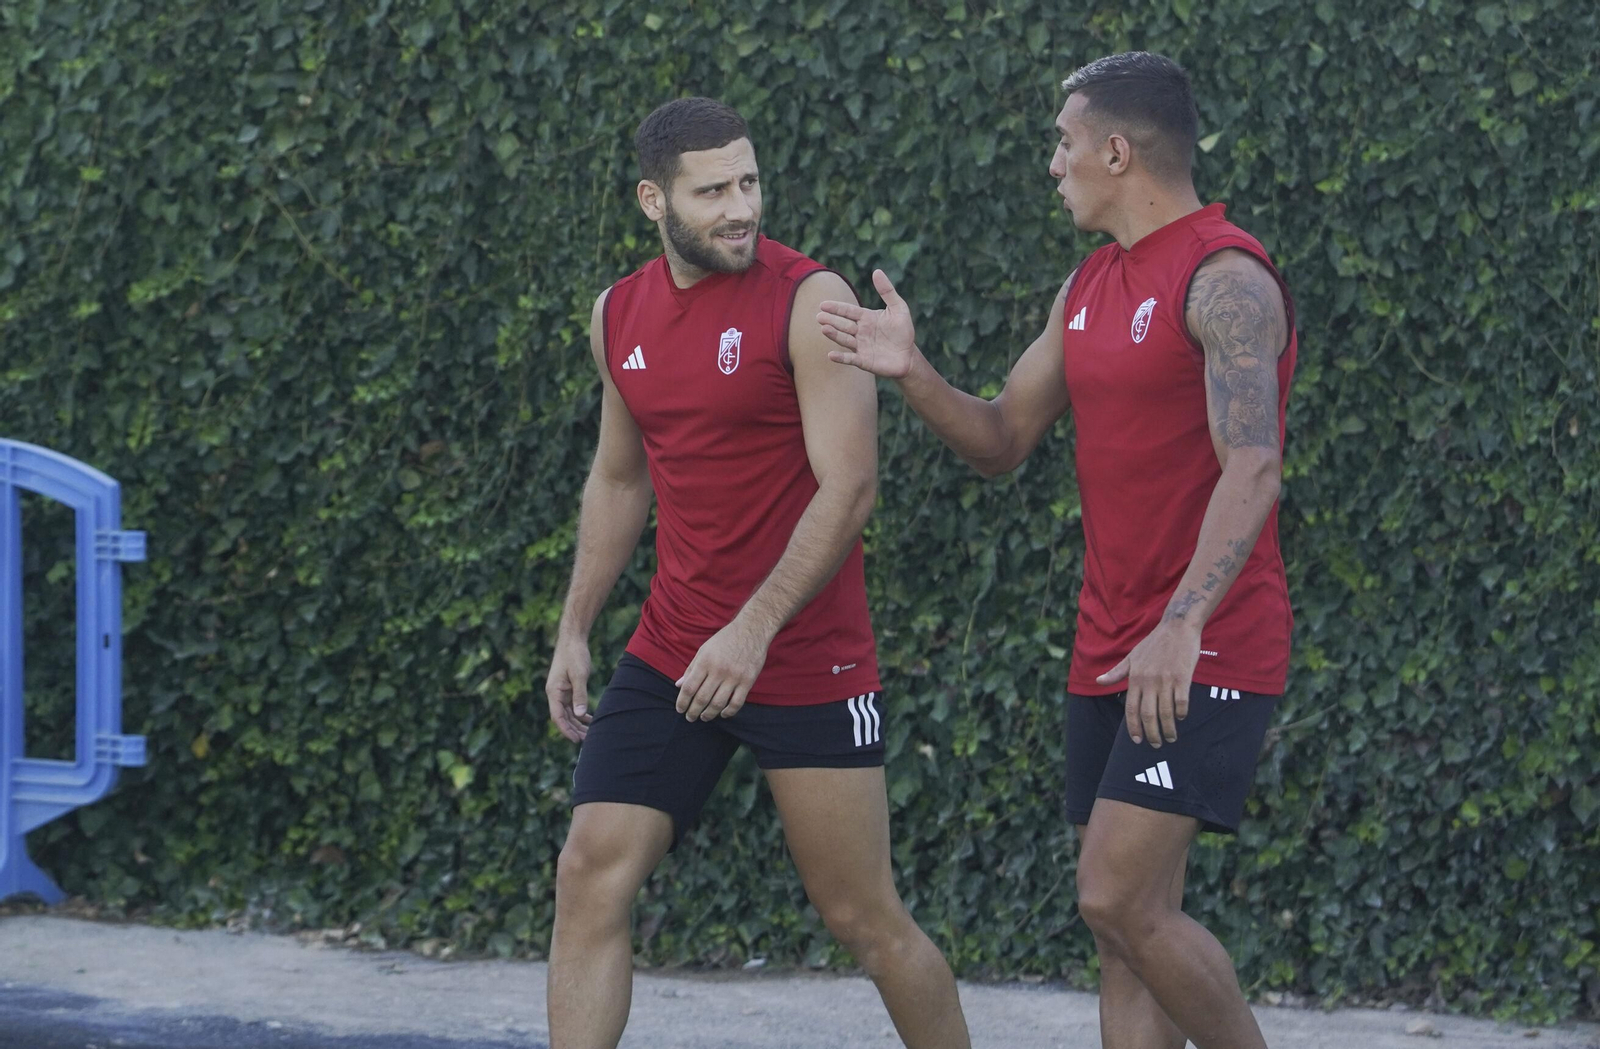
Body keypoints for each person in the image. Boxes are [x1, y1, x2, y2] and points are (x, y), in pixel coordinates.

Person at [819, 52, 1295, 1049]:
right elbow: (999, 438)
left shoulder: (1225, 281)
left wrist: (1181, 621)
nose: (1053, 164)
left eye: (1064, 143)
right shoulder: (1086, 286)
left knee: (1116, 897)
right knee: (1125, 932)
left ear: (1117, 150)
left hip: (1201, 640)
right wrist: (910, 369)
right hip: (1109, 639)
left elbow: (1251, 468)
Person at [543, 96, 971, 1049]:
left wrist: (754, 625)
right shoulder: (619, 314)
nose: (742, 207)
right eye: (714, 191)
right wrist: (576, 627)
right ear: (654, 200)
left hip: (805, 657)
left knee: (864, 919)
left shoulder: (810, 299)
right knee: (589, 872)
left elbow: (849, 486)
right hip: (671, 651)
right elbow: (620, 475)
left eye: (750, 181)